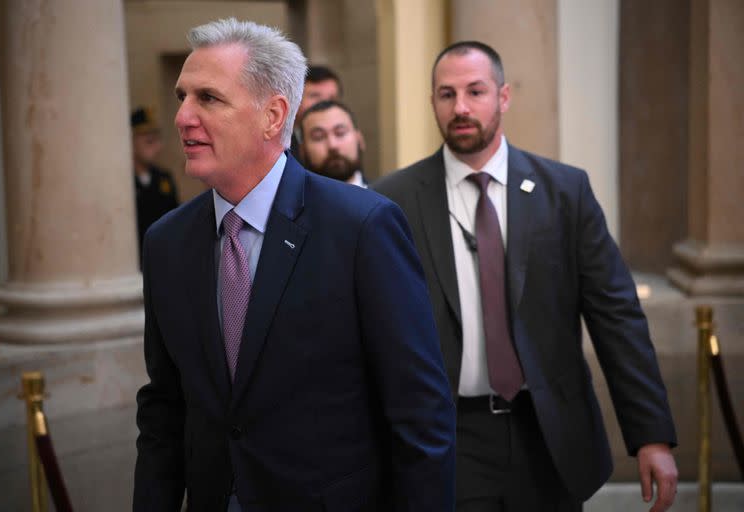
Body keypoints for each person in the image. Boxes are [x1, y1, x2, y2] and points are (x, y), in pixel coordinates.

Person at [133, 17, 455, 512]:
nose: (182, 117)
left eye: (208, 99)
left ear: (273, 115)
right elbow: (165, 410)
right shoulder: (166, 242)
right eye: (182, 96)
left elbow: (419, 413)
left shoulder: (362, 228)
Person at [373, 41, 678, 511]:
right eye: (446, 94)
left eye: (475, 91)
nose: (461, 108)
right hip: (449, 438)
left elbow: (617, 317)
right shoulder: (393, 201)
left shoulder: (564, 192)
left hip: (549, 436)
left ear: (504, 96)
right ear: (432, 102)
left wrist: (651, 435)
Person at [131, 106, 179, 259]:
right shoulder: (124, 182)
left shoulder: (163, 178)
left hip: (161, 255)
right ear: (131, 141)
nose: (155, 147)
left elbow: (174, 219)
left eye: (156, 139)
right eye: (148, 141)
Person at [299, 100, 367, 187]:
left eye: (340, 133)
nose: (332, 145)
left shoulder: (384, 197)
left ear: (359, 139)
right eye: (318, 137)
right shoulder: (290, 200)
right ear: (302, 150)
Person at [291, 65, 342, 162]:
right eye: (315, 96)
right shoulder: (281, 145)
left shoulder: (345, 141)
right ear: (296, 99)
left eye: (332, 98)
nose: (324, 103)